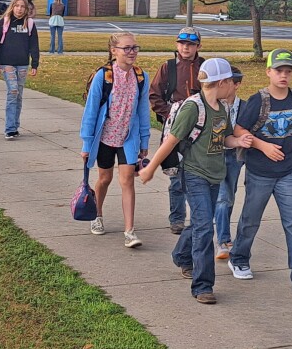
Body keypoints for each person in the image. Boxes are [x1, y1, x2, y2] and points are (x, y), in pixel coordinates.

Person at [139, 57, 238, 302]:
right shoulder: (194, 107)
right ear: (222, 82)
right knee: (205, 228)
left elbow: (224, 139)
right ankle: (203, 286)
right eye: (232, 82)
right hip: (194, 174)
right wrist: (151, 167)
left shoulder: (222, 108)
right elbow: (171, 140)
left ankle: (182, 255)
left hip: (216, 174)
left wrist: (238, 141)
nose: (235, 87)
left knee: (199, 224)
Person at [228, 49, 292, 293]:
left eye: (288, 71)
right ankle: (238, 258)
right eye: (278, 71)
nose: (283, 75)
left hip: (288, 171)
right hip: (259, 171)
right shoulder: (257, 101)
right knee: (250, 220)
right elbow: (238, 130)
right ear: (268, 71)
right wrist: (262, 145)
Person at [79, 31, 151, 248]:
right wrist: (86, 143)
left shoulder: (141, 77)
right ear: (113, 51)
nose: (132, 52)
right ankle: (97, 214)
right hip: (104, 137)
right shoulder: (104, 75)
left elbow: (142, 111)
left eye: (135, 48)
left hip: (128, 136)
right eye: (126, 48)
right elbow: (91, 111)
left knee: (128, 179)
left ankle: (129, 231)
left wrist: (144, 140)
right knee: (104, 179)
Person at [153, 30, 204, 236]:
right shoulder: (168, 67)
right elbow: (154, 94)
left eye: (191, 44)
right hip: (174, 127)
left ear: (198, 47)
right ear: (176, 45)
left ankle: (199, 218)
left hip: (200, 127)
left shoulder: (205, 67)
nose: (186, 48)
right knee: (176, 176)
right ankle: (177, 219)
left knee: (198, 174)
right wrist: (169, 113)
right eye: (182, 44)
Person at [0, 0, 41, 139]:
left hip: (23, 64)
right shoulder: (4, 22)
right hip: (7, 62)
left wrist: (35, 63)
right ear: (12, 7)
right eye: (17, 6)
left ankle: (15, 125)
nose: (19, 9)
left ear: (26, 9)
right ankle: (9, 128)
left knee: (18, 94)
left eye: (22, 7)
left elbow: (34, 45)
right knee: (12, 91)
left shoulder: (30, 24)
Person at [213, 66, 246, 262]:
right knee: (223, 197)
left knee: (229, 196)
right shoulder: (215, 105)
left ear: (237, 85)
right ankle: (223, 240)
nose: (222, 85)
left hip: (235, 156)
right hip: (216, 155)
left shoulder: (245, 106)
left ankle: (221, 231)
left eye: (227, 82)